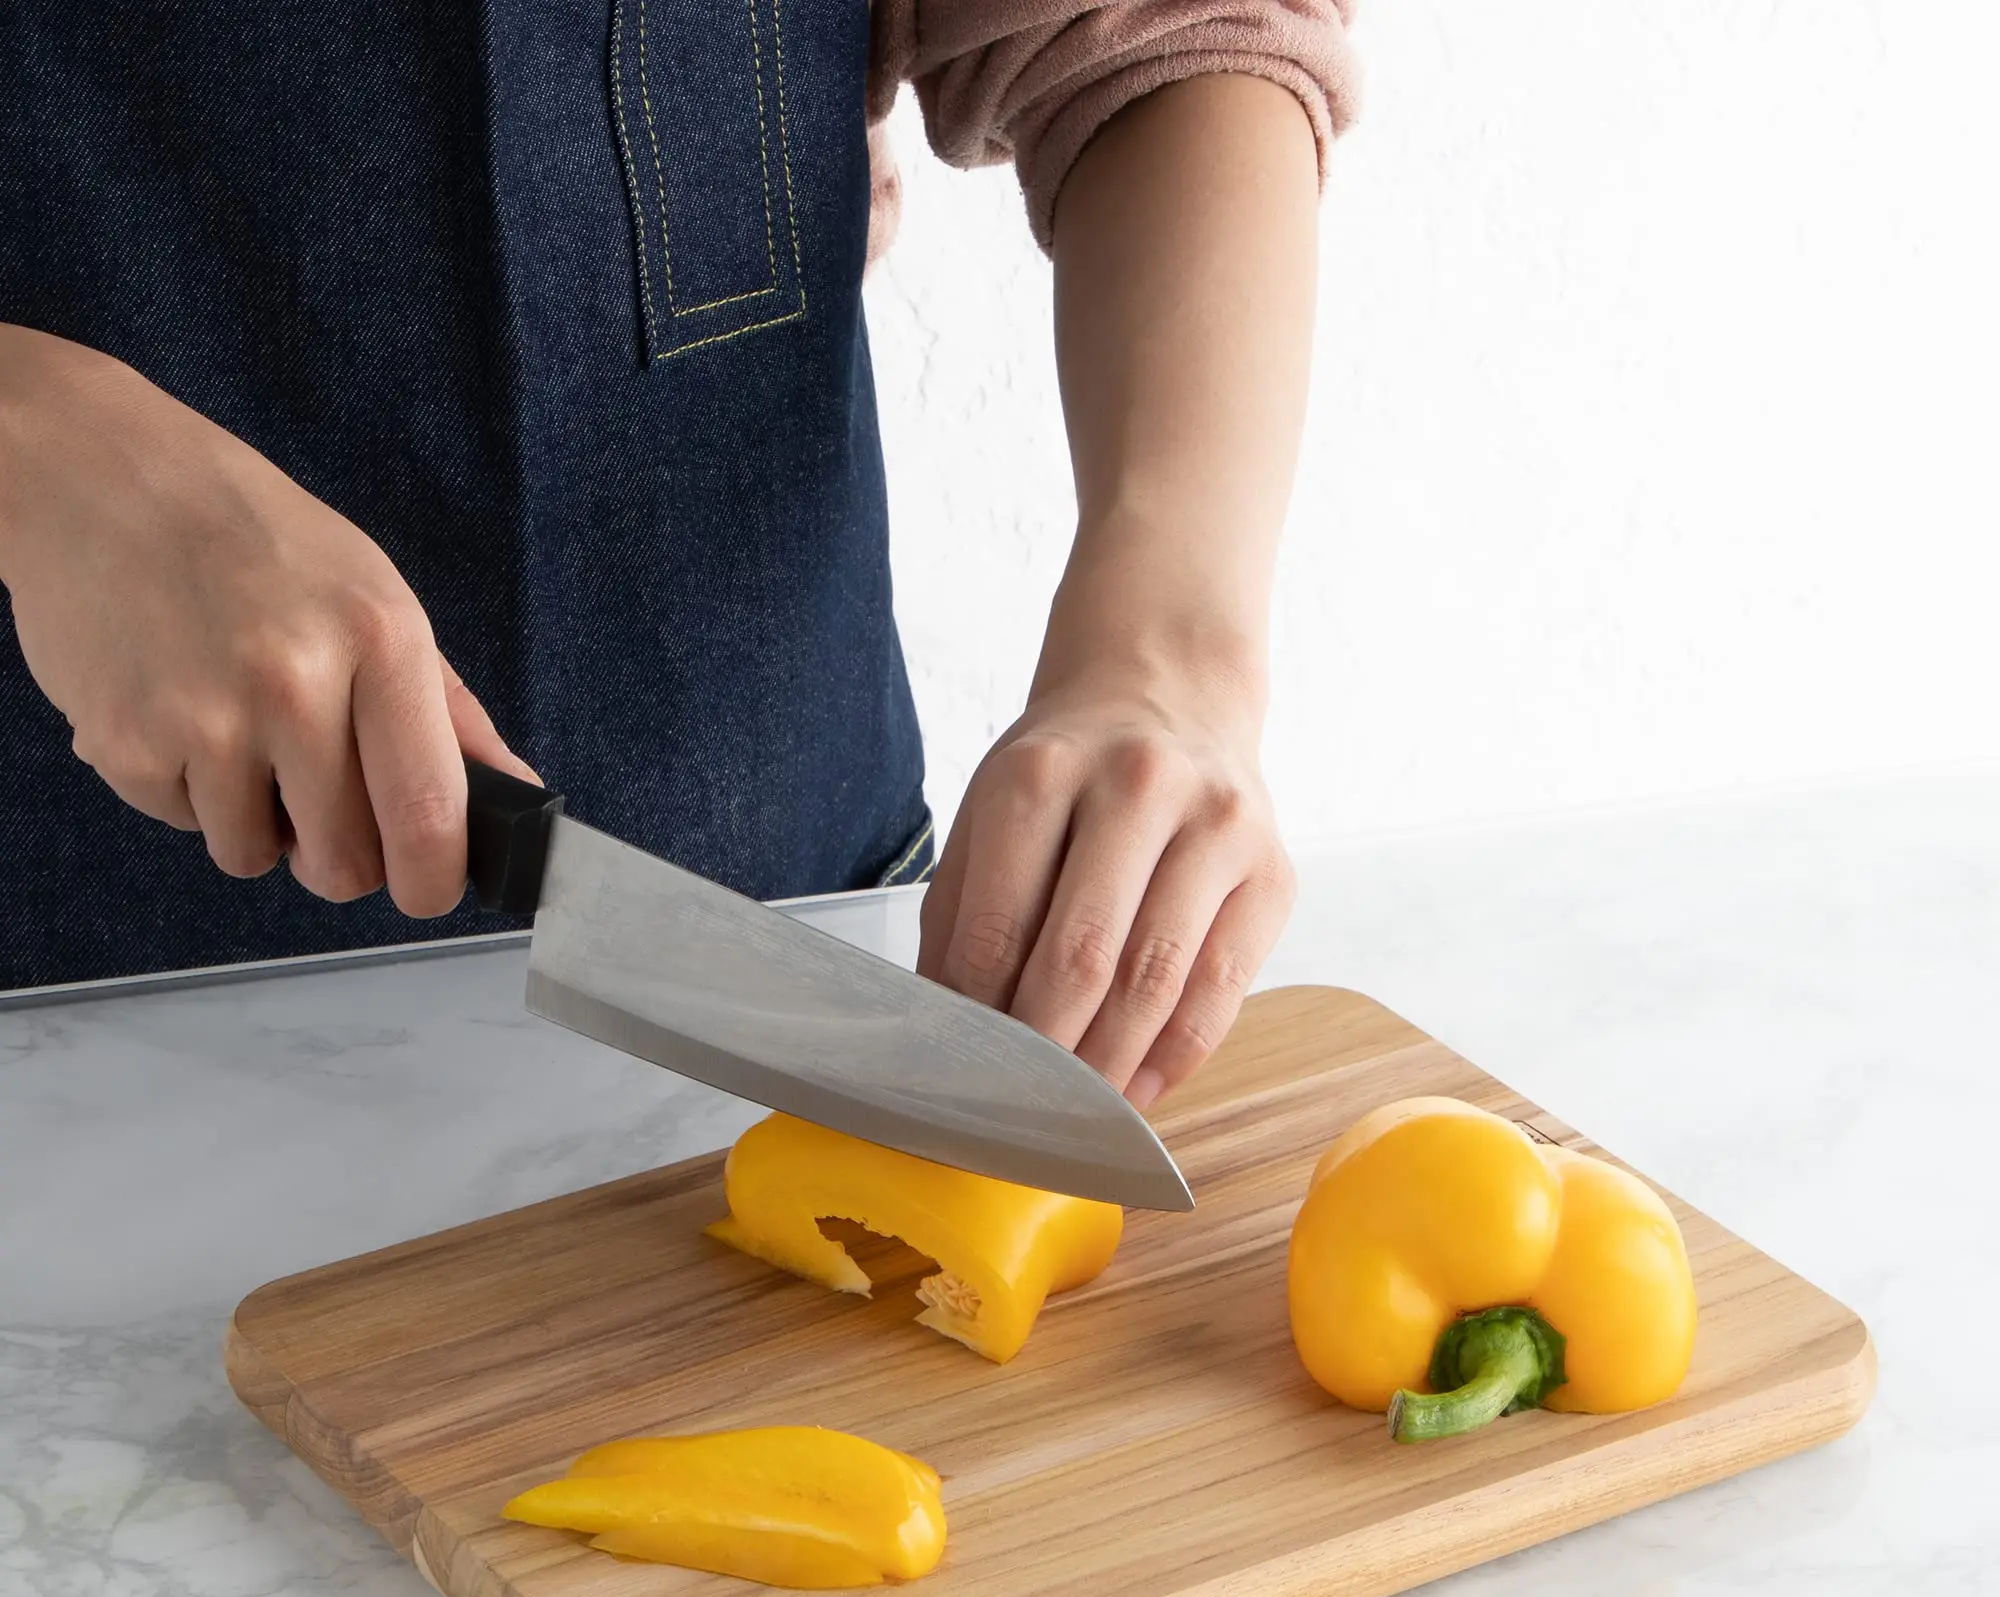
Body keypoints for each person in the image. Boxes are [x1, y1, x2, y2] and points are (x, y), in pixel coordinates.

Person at [0, 3, 1354, 1106]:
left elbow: (1170, 38)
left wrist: (1173, 645)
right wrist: (33, 433)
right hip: (56, 1017)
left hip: (797, 901)